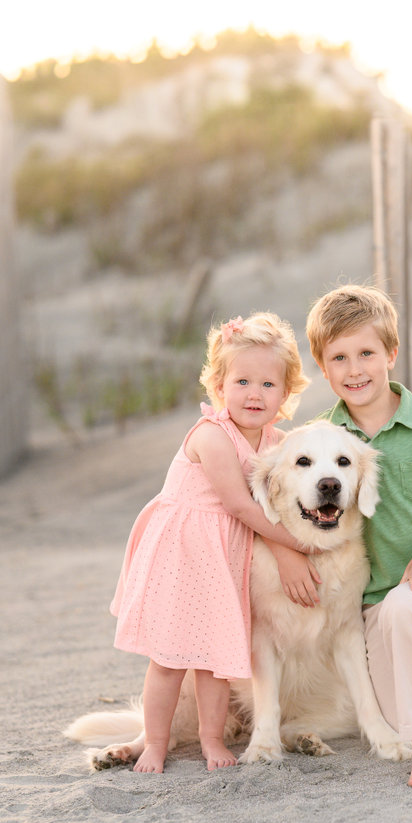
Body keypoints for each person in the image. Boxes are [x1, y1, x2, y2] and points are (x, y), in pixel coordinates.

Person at [276, 284, 412, 787]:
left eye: (367, 353)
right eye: (339, 358)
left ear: (391, 353)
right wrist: (285, 555)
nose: (355, 369)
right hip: (372, 601)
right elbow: (285, 501)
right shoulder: (321, 437)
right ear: (324, 369)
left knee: (406, 610)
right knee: (388, 711)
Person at [110, 312, 310, 773]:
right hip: (183, 554)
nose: (254, 394)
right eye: (242, 381)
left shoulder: (275, 440)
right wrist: (298, 548)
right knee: (169, 660)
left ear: (285, 394)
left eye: (267, 384)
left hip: (223, 560)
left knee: (216, 661)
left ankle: (210, 739)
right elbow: (241, 507)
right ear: (219, 387)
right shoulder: (212, 435)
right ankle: (156, 742)